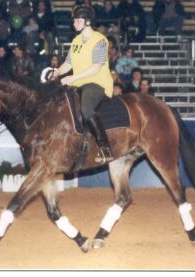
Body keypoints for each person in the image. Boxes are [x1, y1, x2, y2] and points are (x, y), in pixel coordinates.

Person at [52, 5, 114, 163]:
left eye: (77, 21)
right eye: (74, 21)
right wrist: (57, 72)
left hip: (97, 83)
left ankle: (104, 147)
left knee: (86, 109)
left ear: (88, 22)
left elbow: (96, 68)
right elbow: (68, 64)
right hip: (78, 84)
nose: (74, 24)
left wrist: (72, 78)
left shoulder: (100, 40)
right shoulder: (76, 41)